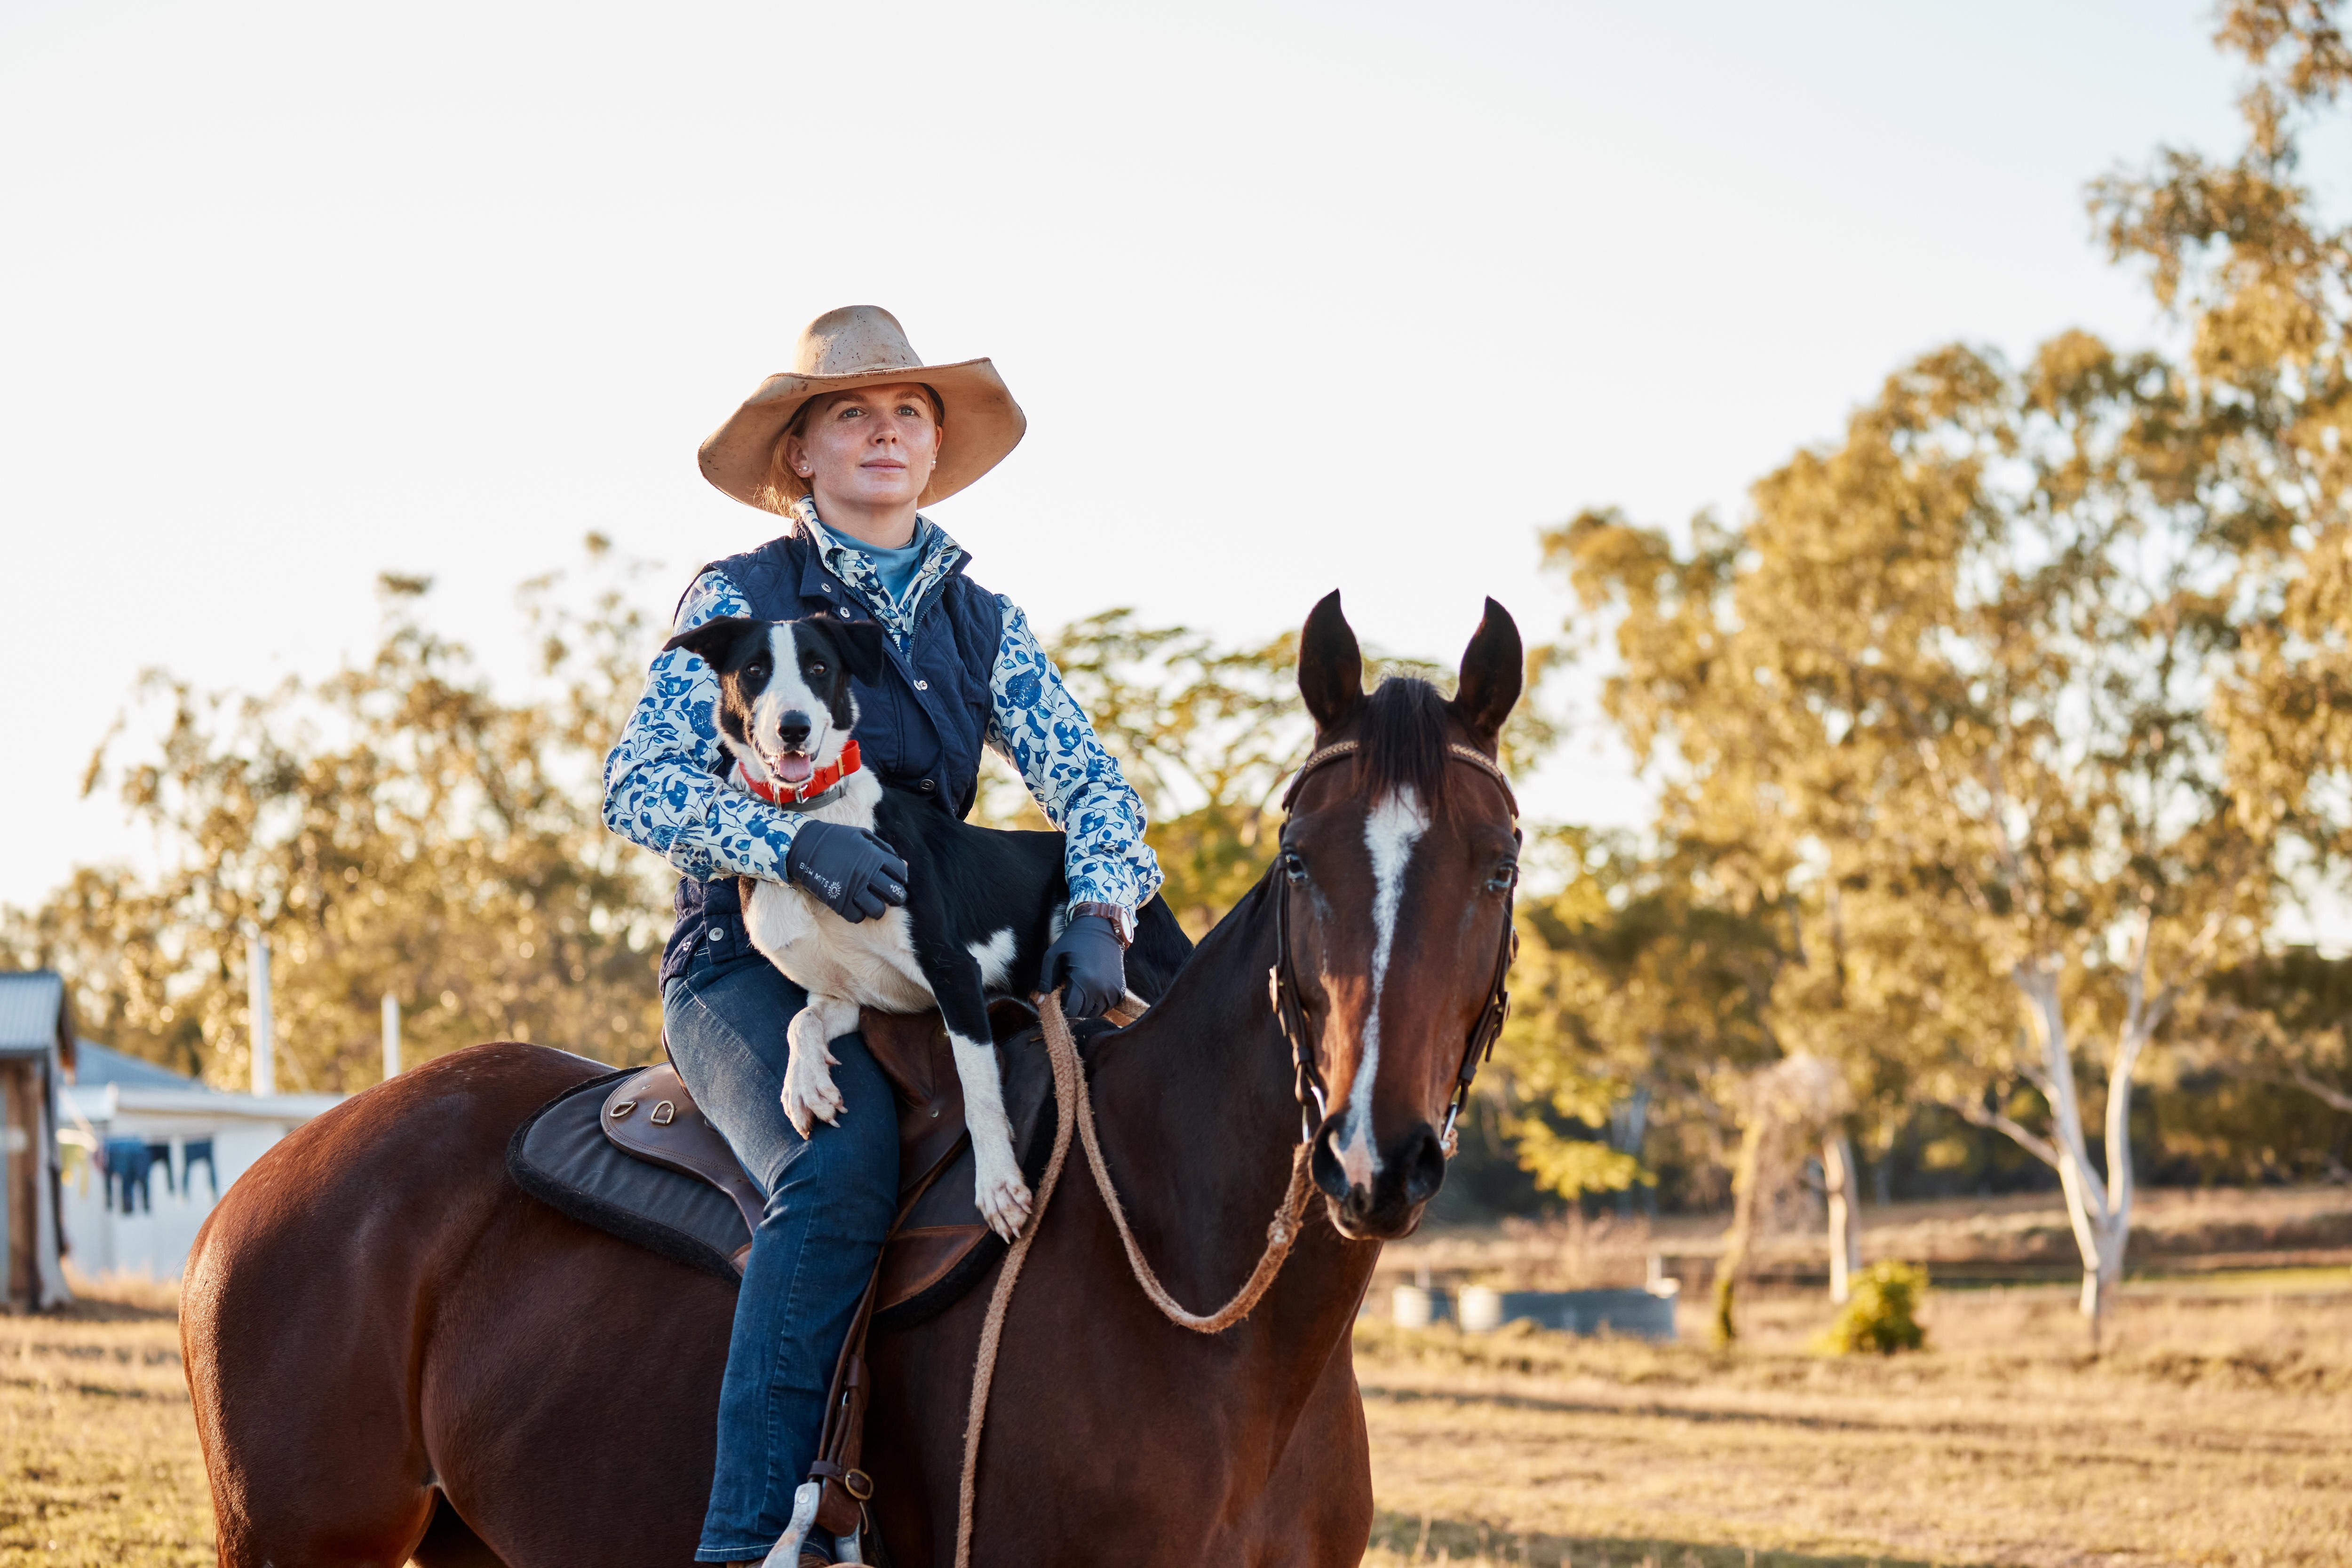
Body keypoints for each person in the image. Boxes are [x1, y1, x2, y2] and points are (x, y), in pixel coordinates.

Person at [602, 305, 1163, 1566]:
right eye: (851, 412)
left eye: (910, 412)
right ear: (798, 452)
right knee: (839, 1165)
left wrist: (1103, 906)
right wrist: (789, 843)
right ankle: (751, 1542)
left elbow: (1090, 783)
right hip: (758, 964)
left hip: (920, 955)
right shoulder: (737, 597)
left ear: (934, 446)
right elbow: (637, 783)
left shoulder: (983, 620)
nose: (885, 432)